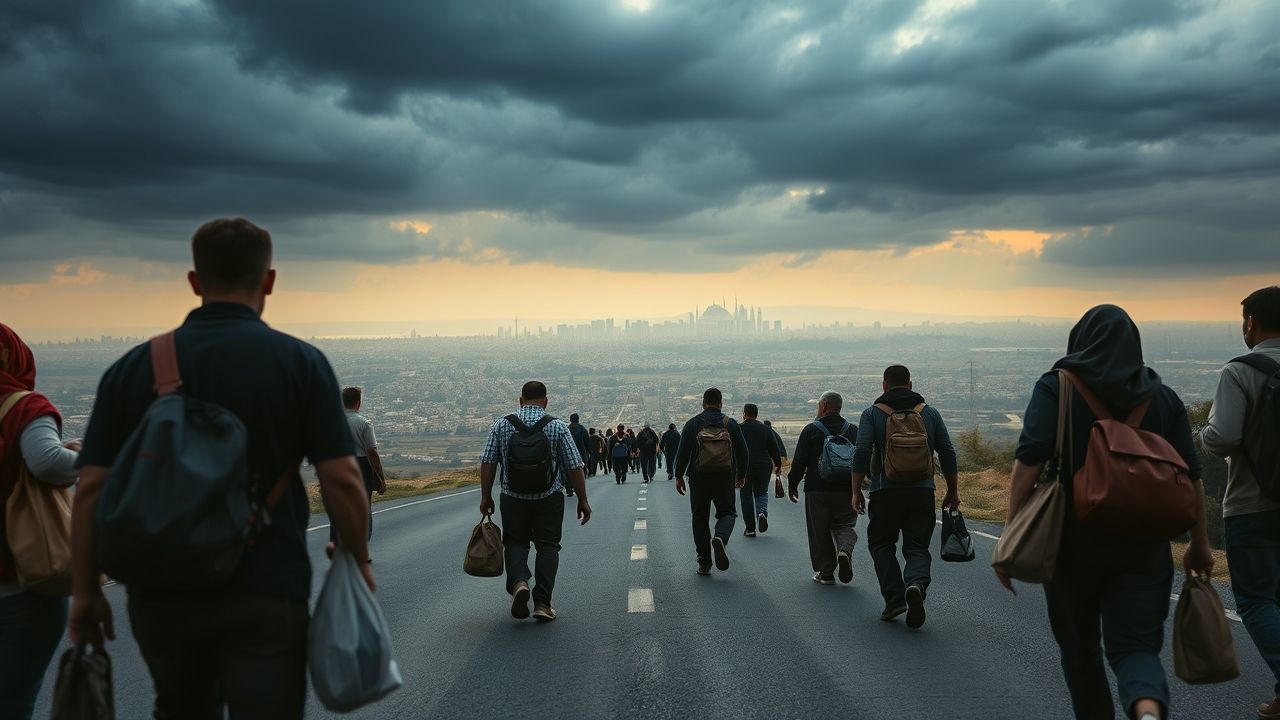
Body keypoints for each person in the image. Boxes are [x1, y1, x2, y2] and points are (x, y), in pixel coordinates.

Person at [68, 218, 375, 719]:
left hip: (162, 584)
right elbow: (341, 477)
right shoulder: (300, 362)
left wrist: (84, 589)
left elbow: (92, 488)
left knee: (180, 706)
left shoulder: (134, 367)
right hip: (267, 580)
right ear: (269, 281)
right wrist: (357, 557)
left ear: (194, 281)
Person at [996, 305, 1213, 720]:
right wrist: (1199, 543)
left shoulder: (1057, 387)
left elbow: (1030, 458)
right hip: (1145, 545)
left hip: (1071, 543)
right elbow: (1192, 475)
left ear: (1079, 341)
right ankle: (1148, 711)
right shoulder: (1162, 396)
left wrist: (1011, 532)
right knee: (1136, 649)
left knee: (1080, 649)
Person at [1201, 286, 1280, 719]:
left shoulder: (1240, 371)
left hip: (1254, 504)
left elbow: (1223, 437)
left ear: (1251, 323)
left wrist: (1201, 432)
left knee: (1255, 601)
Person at [0, 324, 80, 720]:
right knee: (13, 702)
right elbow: (47, 463)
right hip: (19, 584)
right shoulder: (22, 407)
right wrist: (88, 455)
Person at [852, 365, 959, 628]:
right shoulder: (929, 413)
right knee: (917, 547)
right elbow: (947, 451)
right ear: (911, 384)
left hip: (884, 492)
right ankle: (916, 585)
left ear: (884, 385)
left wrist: (855, 491)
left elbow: (861, 452)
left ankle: (894, 599)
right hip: (922, 492)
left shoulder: (872, 414)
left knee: (881, 544)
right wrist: (953, 490)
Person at [479, 381, 590, 622]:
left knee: (515, 542)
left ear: (520, 401)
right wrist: (583, 499)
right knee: (548, 546)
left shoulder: (501, 425)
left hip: (512, 498)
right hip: (548, 498)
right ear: (546, 401)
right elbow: (574, 466)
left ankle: (519, 582)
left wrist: (485, 496)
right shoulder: (558, 427)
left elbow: (488, 461)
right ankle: (542, 604)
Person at [674, 388, 748, 575]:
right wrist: (741, 475)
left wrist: (679, 475)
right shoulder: (730, 424)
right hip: (725, 476)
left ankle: (704, 563)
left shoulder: (693, 424)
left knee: (699, 518)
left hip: (699, 477)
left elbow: (682, 453)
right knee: (728, 512)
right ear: (721, 403)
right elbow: (743, 452)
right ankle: (720, 537)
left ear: (703, 402)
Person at [787, 392, 858, 585]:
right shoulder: (853, 430)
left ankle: (826, 573)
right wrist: (859, 488)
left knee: (819, 530)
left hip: (816, 488)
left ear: (824, 406)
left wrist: (792, 484)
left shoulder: (811, 430)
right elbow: (862, 459)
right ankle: (844, 550)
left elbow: (799, 461)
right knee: (845, 525)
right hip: (846, 488)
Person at [329, 387, 387, 548]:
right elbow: (372, 452)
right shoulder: (364, 423)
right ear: (358, 403)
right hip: (360, 466)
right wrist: (380, 477)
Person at [739, 404, 781, 537]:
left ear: (744, 414)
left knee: (746, 495)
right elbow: (774, 448)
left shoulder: (739, 429)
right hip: (763, 465)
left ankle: (750, 529)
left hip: (745, 466)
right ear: (756, 415)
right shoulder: (765, 429)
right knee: (761, 492)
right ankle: (761, 513)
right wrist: (778, 464)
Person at [567, 413, 590, 496]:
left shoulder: (567, 429)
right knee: (581, 471)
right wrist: (588, 453)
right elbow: (587, 444)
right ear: (578, 419)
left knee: (569, 471)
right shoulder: (583, 429)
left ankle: (569, 488)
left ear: (570, 420)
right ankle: (579, 488)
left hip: (569, 454)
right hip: (581, 454)